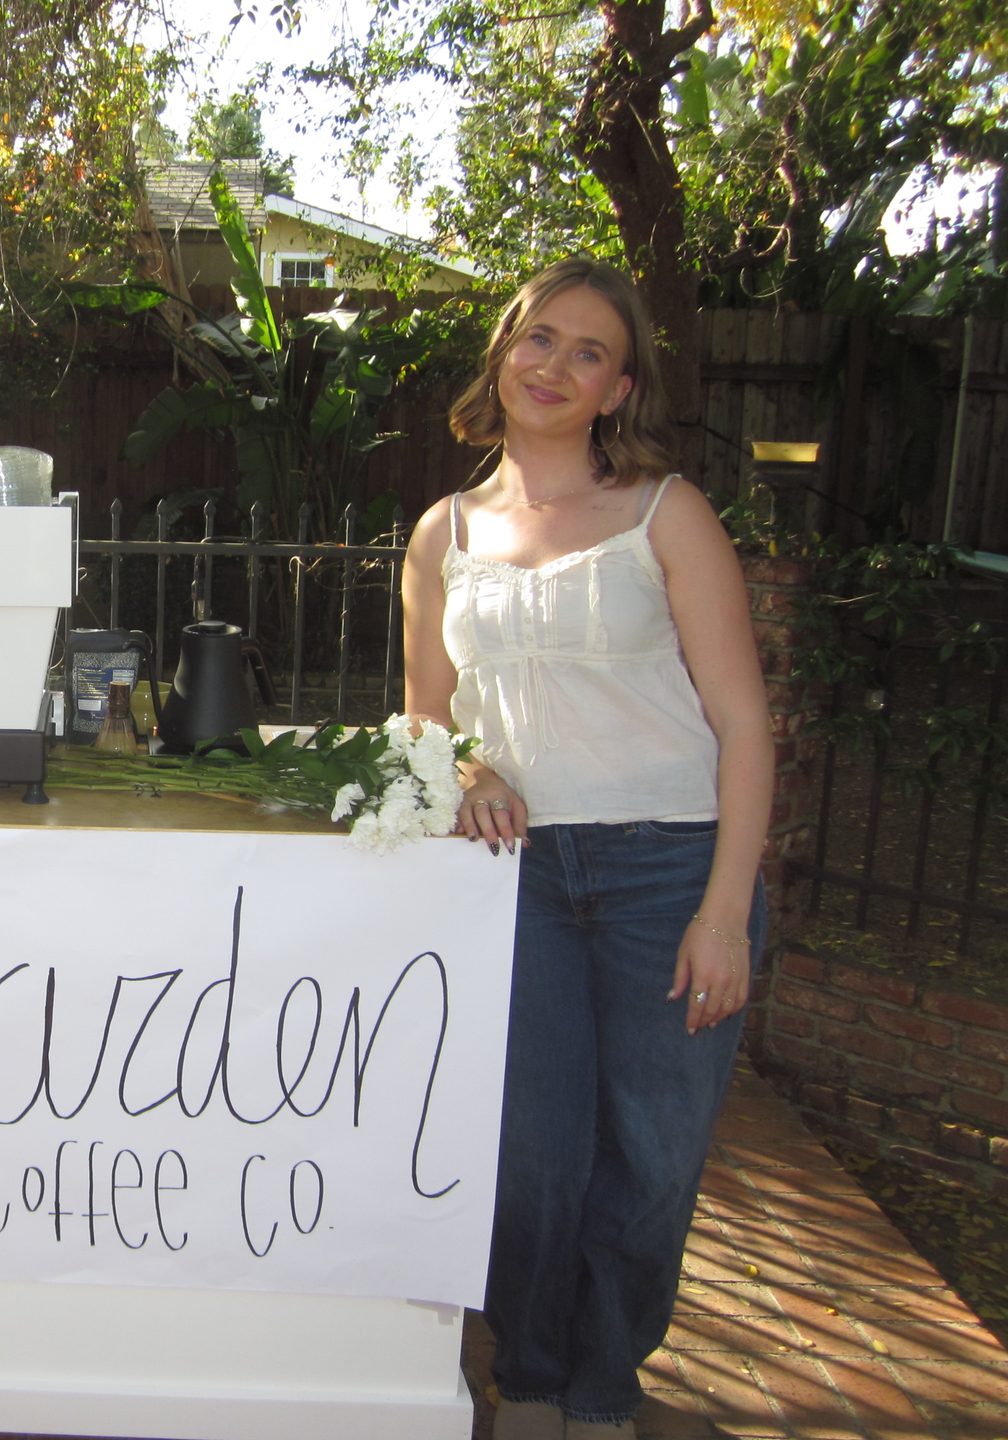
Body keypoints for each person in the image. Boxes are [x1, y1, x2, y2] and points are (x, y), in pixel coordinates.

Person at [400, 258, 771, 1440]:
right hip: (514, 885)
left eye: (590, 352)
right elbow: (424, 720)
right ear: (504, 353)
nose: (555, 366)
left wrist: (725, 915)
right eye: (540, 338)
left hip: (672, 874)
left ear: (620, 388)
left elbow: (743, 723)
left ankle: (603, 1394)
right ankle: (532, 1382)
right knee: (531, 1162)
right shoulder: (444, 532)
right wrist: (469, 770)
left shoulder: (667, 512)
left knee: (651, 1165)